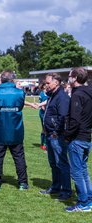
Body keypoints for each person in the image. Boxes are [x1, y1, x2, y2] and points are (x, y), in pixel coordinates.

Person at [0, 70, 29, 191]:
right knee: (19, 157)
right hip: (16, 130)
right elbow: (20, 106)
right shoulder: (20, 93)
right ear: (12, 79)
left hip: (0, 130)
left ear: (2, 79)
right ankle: (23, 183)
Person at [39, 73, 72, 201]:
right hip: (50, 135)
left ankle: (66, 191)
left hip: (57, 136)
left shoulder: (61, 97)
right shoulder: (53, 95)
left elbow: (63, 117)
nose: (45, 85)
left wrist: (55, 132)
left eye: (48, 83)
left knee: (61, 163)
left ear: (56, 82)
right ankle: (56, 186)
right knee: (53, 163)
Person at [64, 67, 92, 211]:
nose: (68, 78)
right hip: (87, 137)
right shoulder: (88, 92)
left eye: (70, 75)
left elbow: (74, 120)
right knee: (83, 170)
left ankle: (83, 202)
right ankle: (89, 199)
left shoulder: (78, 95)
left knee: (77, 172)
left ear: (75, 78)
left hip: (78, 138)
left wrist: (67, 136)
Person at [38, 81, 49, 151]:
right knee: (44, 129)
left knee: (46, 129)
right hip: (43, 113)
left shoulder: (49, 93)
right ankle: (43, 144)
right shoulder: (42, 94)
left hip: (48, 113)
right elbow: (41, 105)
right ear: (44, 86)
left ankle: (45, 144)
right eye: (46, 84)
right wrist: (43, 107)